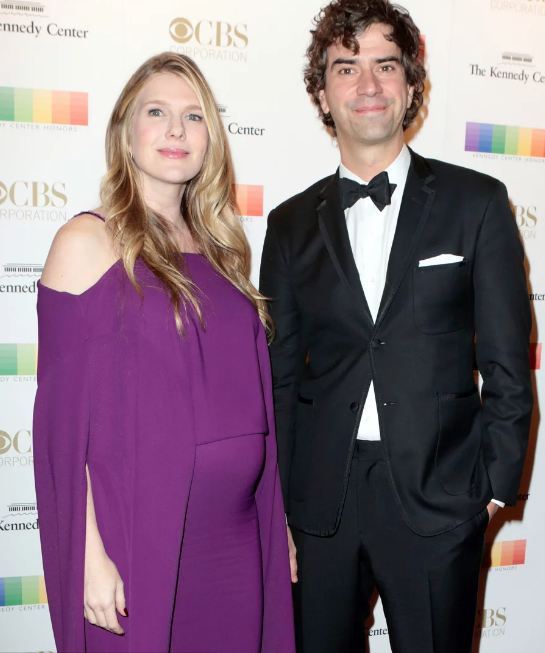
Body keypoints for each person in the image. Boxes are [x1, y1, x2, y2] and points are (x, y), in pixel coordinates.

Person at [259, 1, 532, 652]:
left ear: (411, 85)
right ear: (321, 94)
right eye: (345, 68)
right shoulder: (289, 224)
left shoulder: (477, 202)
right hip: (320, 503)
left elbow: (506, 365)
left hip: (438, 499)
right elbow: (276, 376)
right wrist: (279, 508)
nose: (368, 84)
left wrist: (489, 495)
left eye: (385, 65)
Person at [33, 52, 295, 653]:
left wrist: (274, 522)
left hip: (236, 536)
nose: (176, 130)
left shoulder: (225, 250)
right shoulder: (87, 241)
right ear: (126, 135)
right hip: (142, 534)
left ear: (211, 141)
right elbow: (61, 429)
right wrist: (87, 554)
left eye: (194, 116)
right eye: (157, 112)